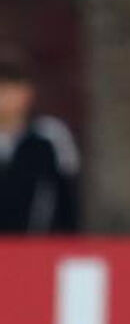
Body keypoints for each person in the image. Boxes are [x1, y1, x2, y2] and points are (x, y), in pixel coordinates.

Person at [0, 51, 79, 233]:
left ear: (27, 93)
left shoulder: (49, 137)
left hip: (38, 249)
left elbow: (66, 198)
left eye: (9, 89)